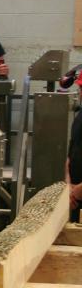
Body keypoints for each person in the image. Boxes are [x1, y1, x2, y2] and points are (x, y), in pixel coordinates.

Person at [64, 68, 82, 221]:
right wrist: (68, 187)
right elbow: (69, 155)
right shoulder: (79, 117)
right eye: (81, 88)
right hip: (76, 198)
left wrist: (79, 190)